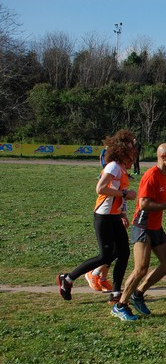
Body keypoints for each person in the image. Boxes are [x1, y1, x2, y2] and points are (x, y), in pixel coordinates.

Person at [57, 129, 138, 305]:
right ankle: (68, 278)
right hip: (103, 216)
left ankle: (116, 293)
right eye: (131, 147)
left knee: (123, 253)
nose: (134, 150)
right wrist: (125, 193)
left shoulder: (122, 169)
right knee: (105, 256)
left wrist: (123, 212)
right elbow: (100, 188)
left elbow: (116, 194)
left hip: (114, 216)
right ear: (122, 149)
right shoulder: (113, 166)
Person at [111, 143, 166, 321]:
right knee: (140, 269)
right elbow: (143, 203)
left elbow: (155, 199)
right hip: (142, 226)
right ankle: (120, 305)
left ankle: (138, 293)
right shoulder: (151, 175)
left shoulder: (163, 176)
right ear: (163, 157)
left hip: (155, 226)